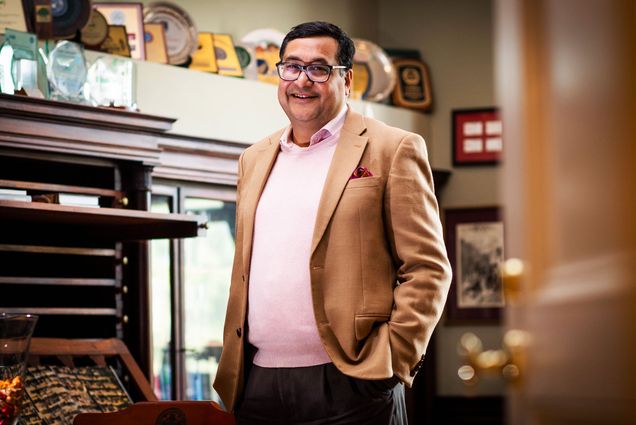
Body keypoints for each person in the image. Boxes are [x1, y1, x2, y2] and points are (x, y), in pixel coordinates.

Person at [213, 21, 451, 425]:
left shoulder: (394, 148)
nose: (301, 81)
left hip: (352, 382)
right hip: (256, 384)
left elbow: (428, 268)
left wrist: (390, 361)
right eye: (291, 67)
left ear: (347, 79)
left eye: (318, 68)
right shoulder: (254, 159)